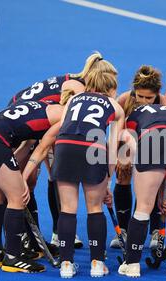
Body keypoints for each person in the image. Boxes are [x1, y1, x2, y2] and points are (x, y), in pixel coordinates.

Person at [21, 67, 125, 278]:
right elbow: (113, 150)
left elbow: (59, 130)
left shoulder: (73, 100)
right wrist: (107, 180)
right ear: (112, 88)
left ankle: (66, 264)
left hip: (65, 147)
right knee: (94, 207)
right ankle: (97, 263)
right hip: (93, 149)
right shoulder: (115, 107)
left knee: (68, 208)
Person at [8, 52, 115, 251]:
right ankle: (38, 237)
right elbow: (66, 126)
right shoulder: (78, 88)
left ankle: (36, 238)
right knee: (34, 178)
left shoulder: (75, 80)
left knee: (34, 179)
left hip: (28, 114)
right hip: (29, 120)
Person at [0, 98, 67, 273]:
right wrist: (21, 180)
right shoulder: (64, 116)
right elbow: (41, 150)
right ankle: (13, 257)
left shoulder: (40, 106)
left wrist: (16, 177)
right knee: (17, 198)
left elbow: (26, 147)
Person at [117, 102, 166, 278]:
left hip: (153, 136)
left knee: (143, 205)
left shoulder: (131, 119)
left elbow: (134, 148)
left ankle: (132, 264)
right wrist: (162, 192)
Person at [110, 65, 166, 250]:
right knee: (123, 175)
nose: (143, 101)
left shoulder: (164, 103)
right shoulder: (124, 100)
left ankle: (154, 229)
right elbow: (115, 134)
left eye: (148, 98)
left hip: (156, 142)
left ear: (156, 95)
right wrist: (121, 157)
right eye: (140, 96)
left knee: (154, 183)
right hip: (129, 139)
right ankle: (125, 229)